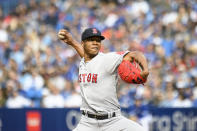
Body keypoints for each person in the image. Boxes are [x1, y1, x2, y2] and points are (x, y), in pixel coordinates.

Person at [58, 27, 149, 131]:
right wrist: (72, 42)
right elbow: (86, 56)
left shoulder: (108, 59)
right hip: (87, 123)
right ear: (83, 43)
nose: (95, 43)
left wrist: (145, 71)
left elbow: (135, 54)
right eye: (91, 40)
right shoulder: (84, 61)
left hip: (113, 121)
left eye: (98, 41)